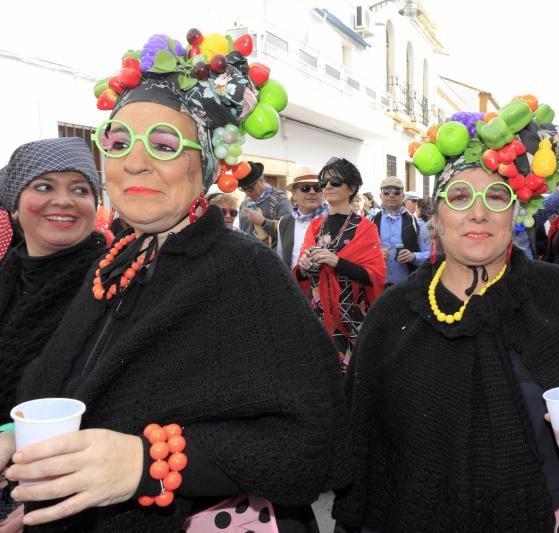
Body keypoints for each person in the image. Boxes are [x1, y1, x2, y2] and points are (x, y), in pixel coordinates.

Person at [0, 30, 347, 532]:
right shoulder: (114, 262)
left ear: (202, 164)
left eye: (163, 144)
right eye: (117, 142)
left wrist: (145, 463)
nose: (134, 161)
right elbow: (54, 381)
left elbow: (311, 442)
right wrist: (16, 436)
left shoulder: (243, 269)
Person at [333, 155, 559, 532]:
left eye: (497, 198)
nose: (478, 212)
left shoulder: (557, 294)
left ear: (515, 213)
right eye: (459, 196)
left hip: (551, 515)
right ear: (434, 218)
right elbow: (361, 439)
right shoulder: (392, 315)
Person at [0, 137, 106, 431]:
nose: (63, 200)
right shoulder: (7, 277)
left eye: (80, 189)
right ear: (15, 207)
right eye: (44, 186)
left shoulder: (112, 281)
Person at [296, 157, 386, 372]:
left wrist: (337, 262)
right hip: (318, 314)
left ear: (352, 188)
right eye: (323, 182)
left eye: (335, 182)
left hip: (352, 317)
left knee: (352, 377)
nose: (327, 187)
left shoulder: (365, 228)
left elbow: (374, 275)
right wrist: (304, 265)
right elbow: (301, 275)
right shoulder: (316, 226)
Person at [369, 176, 430, 287]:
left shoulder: (418, 224)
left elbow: (431, 256)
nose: (391, 195)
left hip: (407, 287)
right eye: (386, 192)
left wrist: (413, 256)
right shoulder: (370, 222)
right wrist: (375, 255)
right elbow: (360, 255)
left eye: (396, 192)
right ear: (380, 196)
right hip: (376, 287)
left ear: (403, 196)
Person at [276, 166, 328, 269]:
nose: (312, 192)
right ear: (294, 194)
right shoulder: (284, 222)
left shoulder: (333, 219)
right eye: (305, 188)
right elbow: (281, 258)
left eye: (317, 188)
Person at [237, 162, 292, 247]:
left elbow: (288, 231)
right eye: (243, 190)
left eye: (250, 188)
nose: (247, 193)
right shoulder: (244, 204)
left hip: (270, 256)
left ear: (262, 180)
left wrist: (263, 222)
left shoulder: (280, 201)